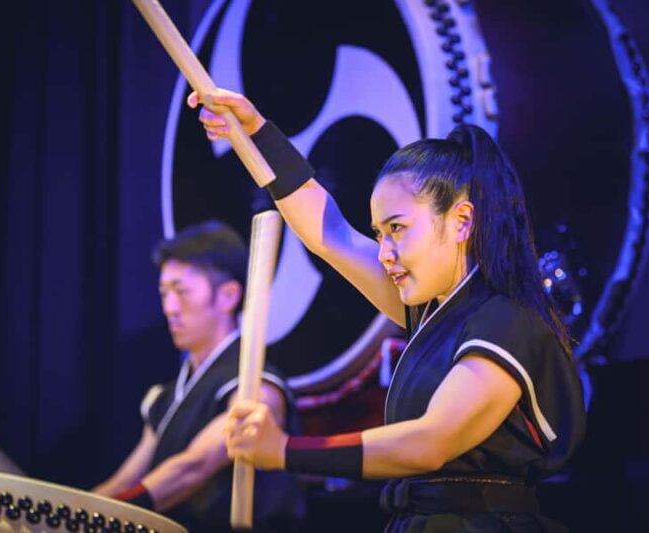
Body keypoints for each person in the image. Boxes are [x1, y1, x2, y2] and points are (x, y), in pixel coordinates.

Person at [188, 90, 587, 532]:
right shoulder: (437, 318)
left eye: (397, 229)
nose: (384, 253)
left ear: (461, 221)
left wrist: (284, 449)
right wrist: (255, 134)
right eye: (379, 234)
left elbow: (429, 442)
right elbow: (331, 234)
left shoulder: (508, 322)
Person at [93, 220, 305, 532]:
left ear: (228, 296)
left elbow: (193, 468)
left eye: (181, 292)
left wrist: (99, 518)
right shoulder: (166, 396)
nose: (170, 308)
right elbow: (129, 479)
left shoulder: (257, 387)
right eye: (164, 293)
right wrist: (75, 508)